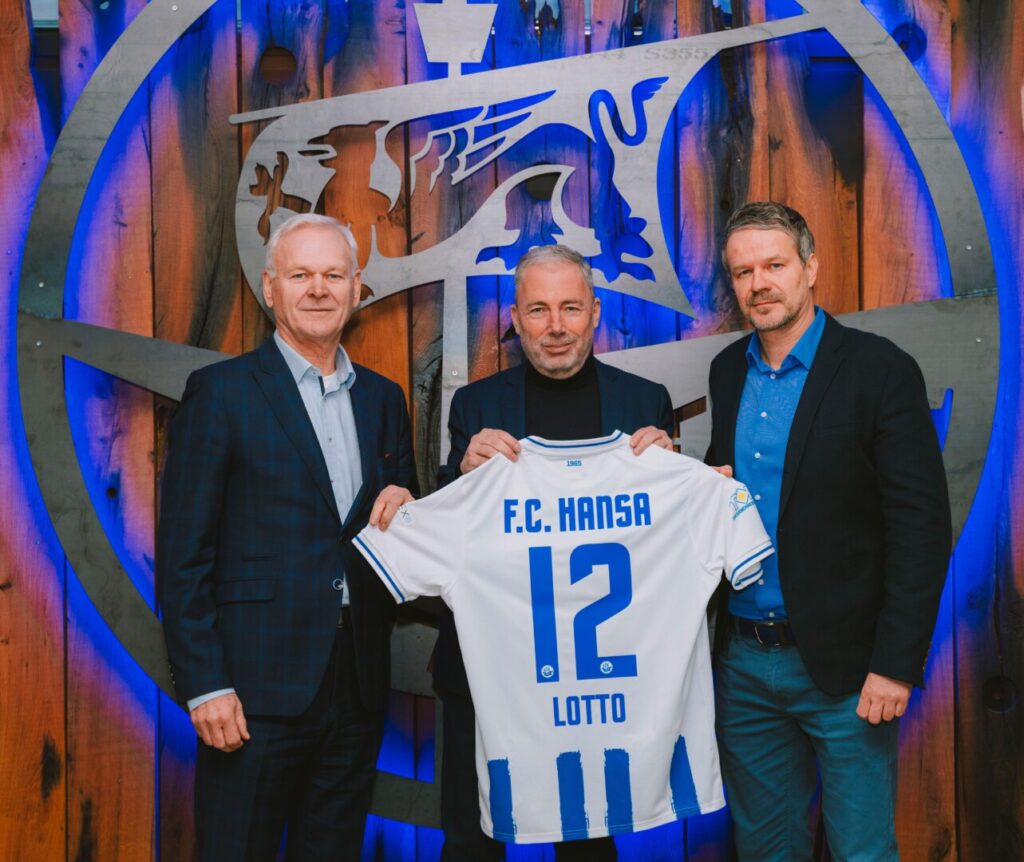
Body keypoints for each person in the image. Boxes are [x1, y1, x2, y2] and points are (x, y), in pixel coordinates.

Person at [157, 213, 416, 860]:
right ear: (271, 288)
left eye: (333, 275)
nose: (319, 289)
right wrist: (206, 684)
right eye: (301, 275)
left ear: (357, 288)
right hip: (251, 693)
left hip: (356, 686)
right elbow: (184, 555)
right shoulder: (220, 394)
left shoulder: (383, 400)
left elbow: (398, 529)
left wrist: (411, 508)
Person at [706, 201, 952, 861]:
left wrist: (895, 664)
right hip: (744, 665)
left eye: (774, 265)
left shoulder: (879, 369)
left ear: (810, 267)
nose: (759, 283)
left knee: (862, 852)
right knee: (765, 852)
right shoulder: (727, 371)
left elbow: (921, 527)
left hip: (849, 670)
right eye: (743, 272)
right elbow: (729, 490)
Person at [433, 244, 674, 861]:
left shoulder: (644, 403)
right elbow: (446, 536)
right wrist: (460, 476)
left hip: (595, 677)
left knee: (589, 842)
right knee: (471, 840)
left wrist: (678, 476)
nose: (556, 326)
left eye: (570, 307)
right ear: (515, 319)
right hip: (489, 670)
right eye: (538, 310)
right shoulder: (474, 407)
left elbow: (666, 541)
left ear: (595, 312)